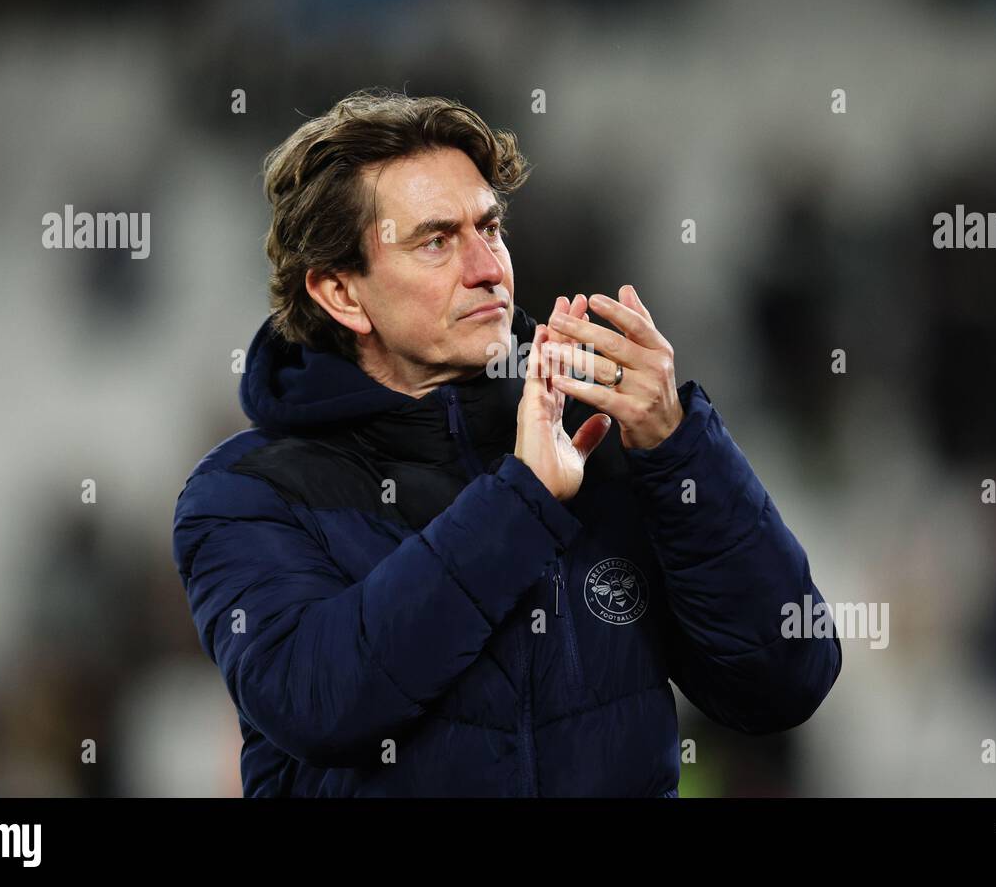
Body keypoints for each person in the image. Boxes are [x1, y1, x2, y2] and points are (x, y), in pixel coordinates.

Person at [171, 88, 842, 796]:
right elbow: (321, 701)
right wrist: (519, 502)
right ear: (341, 293)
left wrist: (679, 448)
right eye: (436, 241)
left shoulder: (601, 436)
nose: (487, 267)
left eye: (489, 229)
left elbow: (786, 679)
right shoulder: (247, 493)